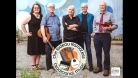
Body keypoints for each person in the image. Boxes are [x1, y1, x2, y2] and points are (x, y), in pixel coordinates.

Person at [91, 1, 118, 76]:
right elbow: (94, 25)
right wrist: (94, 32)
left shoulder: (110, 15)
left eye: (103, 5)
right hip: (97, 36)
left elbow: (115, 25)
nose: (102, 7)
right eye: (101, 5)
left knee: (106, 53)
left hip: (106, 36)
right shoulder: (96, 15)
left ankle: (106, 69)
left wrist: (110, 27)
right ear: (99, 7)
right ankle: (99, 67)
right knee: (98, 53)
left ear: (105, 6)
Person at [21, 3, 45, 70]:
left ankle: (37, 65)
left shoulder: (42, 16)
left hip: (40, 36)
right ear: (33, 9)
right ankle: (33, 65)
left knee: (39, 51)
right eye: (35, 8)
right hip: (33, 36)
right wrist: (26, 32)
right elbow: (22, 24)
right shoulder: (30, 16)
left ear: (39, 9)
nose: (36, 9)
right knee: (33, 51)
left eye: (38, 8)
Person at [40, 2, 62, 73]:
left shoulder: (57, 16)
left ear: (54, 8)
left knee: (59, 52)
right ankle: (49, 67)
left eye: (53, 7)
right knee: (48, 53)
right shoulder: (45, 16)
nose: (51, 8)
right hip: (49, 39)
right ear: (47, 8)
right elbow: (42, 26)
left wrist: (61, 35)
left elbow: (59, 26)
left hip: (58, 38)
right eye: (50, 7)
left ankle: (59, 65)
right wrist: (44, 36)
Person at [77, 3, 94, 72]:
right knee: (81, 51)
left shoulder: (91, 16)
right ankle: (82, 65)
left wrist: (93, 32)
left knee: (88, 50)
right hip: (80, 35)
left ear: (87, 8)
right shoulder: (78, 16)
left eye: (85, 7)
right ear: (81, 8)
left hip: (88, 35)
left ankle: (90, 65)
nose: (84, 8)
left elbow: (93, 24)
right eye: (82, 7)